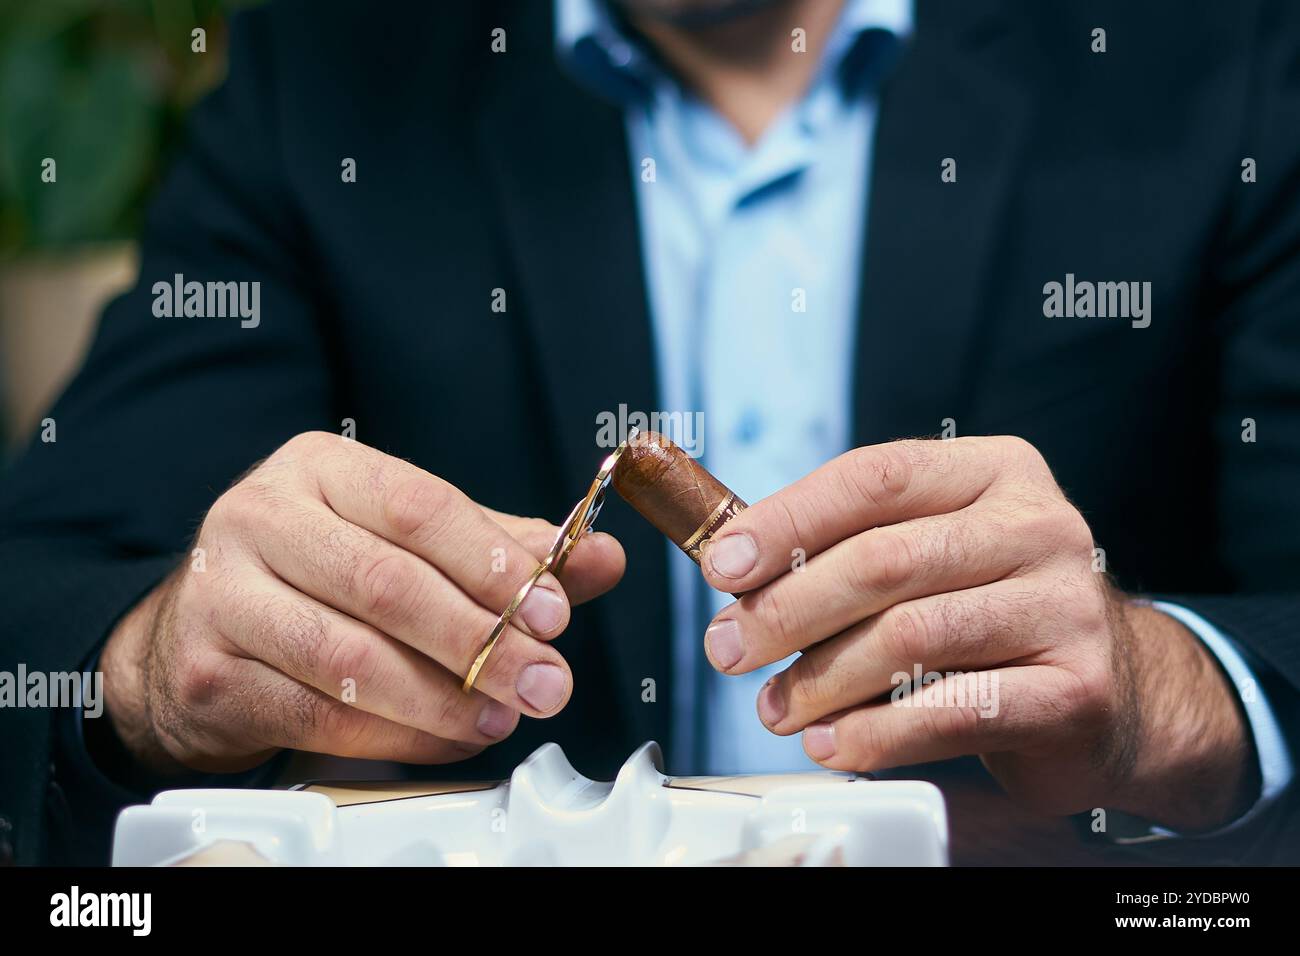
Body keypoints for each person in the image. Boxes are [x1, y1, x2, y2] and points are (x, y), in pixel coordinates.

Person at [1, 0, 1297, 866]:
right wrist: (161, 660)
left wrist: (1166, 696)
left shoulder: (1213, 49)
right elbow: (38, 601)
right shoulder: (333, 71)